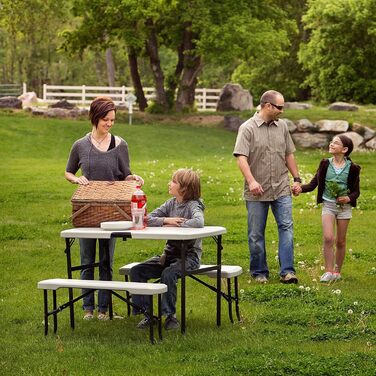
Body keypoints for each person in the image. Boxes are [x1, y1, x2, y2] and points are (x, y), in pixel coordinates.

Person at [65, 96, 143, 320]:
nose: (109, 124)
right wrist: (75, 180)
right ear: (95, 117)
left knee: (106, 261)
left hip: (112, 211)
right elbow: (69, 171)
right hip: (88, 210)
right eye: (105, 120)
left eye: (112, 120)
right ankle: (87, 309)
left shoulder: (120, 145)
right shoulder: (80, 145)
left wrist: (133, 177)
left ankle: (103, 310)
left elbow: (125, 174)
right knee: (86, 260)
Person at [233, 90, 301, 284]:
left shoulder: (283, 127)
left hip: (281, 187)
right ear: (267, 106)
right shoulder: (247, 128)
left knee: (286, 227)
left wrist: (296, 179)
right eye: (279, 107)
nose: (282, 110)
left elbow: (289, 154)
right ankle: (259, 272)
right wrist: (252, 181)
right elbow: (241, 157)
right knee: (256, 233)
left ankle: (288, 272)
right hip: (257, 190)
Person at [130, 168, 204, 330]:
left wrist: (180, 223)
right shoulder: (171, 203)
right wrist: (167, 220)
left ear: (184, 188)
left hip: (189, 258)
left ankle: (170, 316)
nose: (169, 183)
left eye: (174, 181)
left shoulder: (193, 205)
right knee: (136, 271)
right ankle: (148, 315)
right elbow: (145, 219)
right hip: (168, 257)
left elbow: (198, 222)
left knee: (168, 274)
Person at [295, 135, 360, 282]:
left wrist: (349, 198)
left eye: (336, 143)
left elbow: (356, 191)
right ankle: (328, 271)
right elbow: (313, 185)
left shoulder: (354, 168)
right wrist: (300, 188)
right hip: (328, 206)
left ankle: (337, 272)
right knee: (328, 238)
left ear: (344, 149)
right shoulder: (325, 164)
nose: (331, 144)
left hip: (345, 208)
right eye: (331, 141)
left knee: (341, 241)